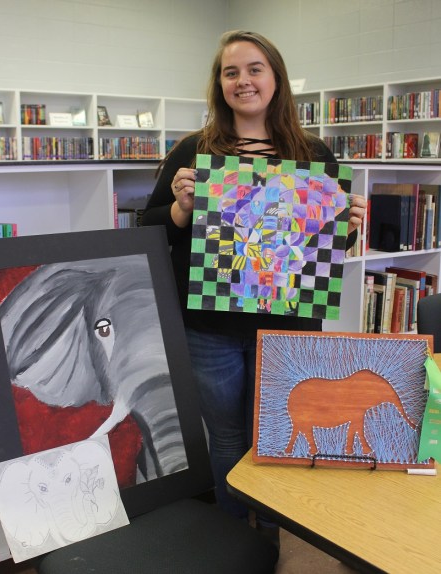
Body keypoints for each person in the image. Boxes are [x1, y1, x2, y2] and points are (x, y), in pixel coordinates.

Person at [142, 30, 366, 528]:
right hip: (210, 327)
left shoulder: (312, 154)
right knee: (225, 437)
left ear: (276, 79)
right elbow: (149, 227)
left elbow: (323, 251)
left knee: (275, 433)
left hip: (287, 326)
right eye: (231, 72)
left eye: (254, 69)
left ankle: (268, 532)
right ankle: (232, 532)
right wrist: (181, 209)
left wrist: (346, 229)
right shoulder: (194, 151)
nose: (243, 81)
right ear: (219, 84)